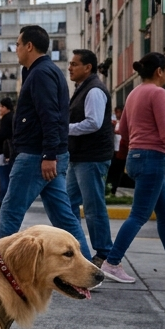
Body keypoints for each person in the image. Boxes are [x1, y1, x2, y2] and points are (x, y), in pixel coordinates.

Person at [98, 53, 165, 282]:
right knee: (139, 214)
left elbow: (123, 130)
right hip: (152, 158)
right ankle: (112, 262)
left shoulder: (134, 93)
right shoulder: (157, 93)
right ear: (159, 71)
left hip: (138, 157)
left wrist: (134, 149)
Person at [0, 25, 94, 260]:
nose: (16, 49)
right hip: (48, 155)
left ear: (29, 46)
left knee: (10, 212)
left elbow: (50, 116)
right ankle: (86, 266)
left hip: (37, 156)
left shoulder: (41, 73)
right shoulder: (40, 71)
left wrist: (49, 155)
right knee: (64, 218)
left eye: (18, 44)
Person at [65, 49, 115, 263]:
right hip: (78, 157)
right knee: (67, 204)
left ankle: (104, 253)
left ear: (88, 67)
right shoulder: (82, 88)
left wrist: (64, 129)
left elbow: (93, 123)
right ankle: (76, 249)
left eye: (75, 64)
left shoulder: (94, 90)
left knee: (93, 207)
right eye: (70, 63)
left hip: (92, 158)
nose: (70, 67)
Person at [0, 97, 15, 207]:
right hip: (9, 152)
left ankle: (2, 201)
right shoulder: (12, 117)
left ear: (7, 108)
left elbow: (2, 135)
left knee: (3, 178)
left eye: (1, 106)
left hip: (5, 152)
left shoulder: (7, 119)